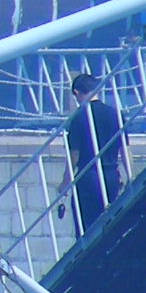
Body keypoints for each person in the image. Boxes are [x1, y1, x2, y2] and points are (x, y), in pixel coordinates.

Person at [61, 73, 124, 234]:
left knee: (85, 229)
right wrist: (130, 176)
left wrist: (65, 182)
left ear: (76, 92)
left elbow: (74, 154)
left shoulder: (79, 117)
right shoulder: (115, 114)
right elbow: (125, 148)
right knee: (110, 226)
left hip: (88, 178)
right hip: (111, 176)